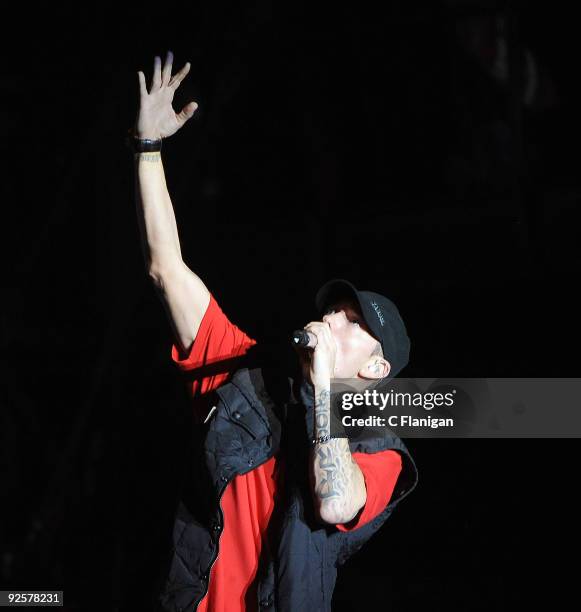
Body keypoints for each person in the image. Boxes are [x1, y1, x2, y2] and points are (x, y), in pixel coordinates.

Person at [130, 50, 418, 612]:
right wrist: (147, 149)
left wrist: (320, 390)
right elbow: (166, 269)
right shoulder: (245, 376)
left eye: (354, 323)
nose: (335, 319)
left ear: (376, 369)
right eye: (335, 310)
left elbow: (336, 505)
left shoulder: (379, 449)